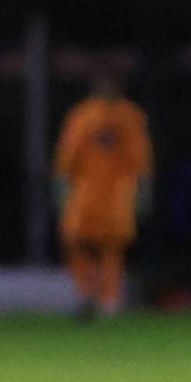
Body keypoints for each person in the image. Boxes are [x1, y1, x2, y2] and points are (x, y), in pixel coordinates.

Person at [53, 68, 152, 320]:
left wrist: (143, 191)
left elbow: (142, 159)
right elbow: (66, 157)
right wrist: (61, 190)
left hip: (118, 192)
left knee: (112, 248)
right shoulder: (82, 115)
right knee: (75, 242)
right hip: (85, 192)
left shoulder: (130, 116)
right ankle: (87, 294)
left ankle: (110, 301)